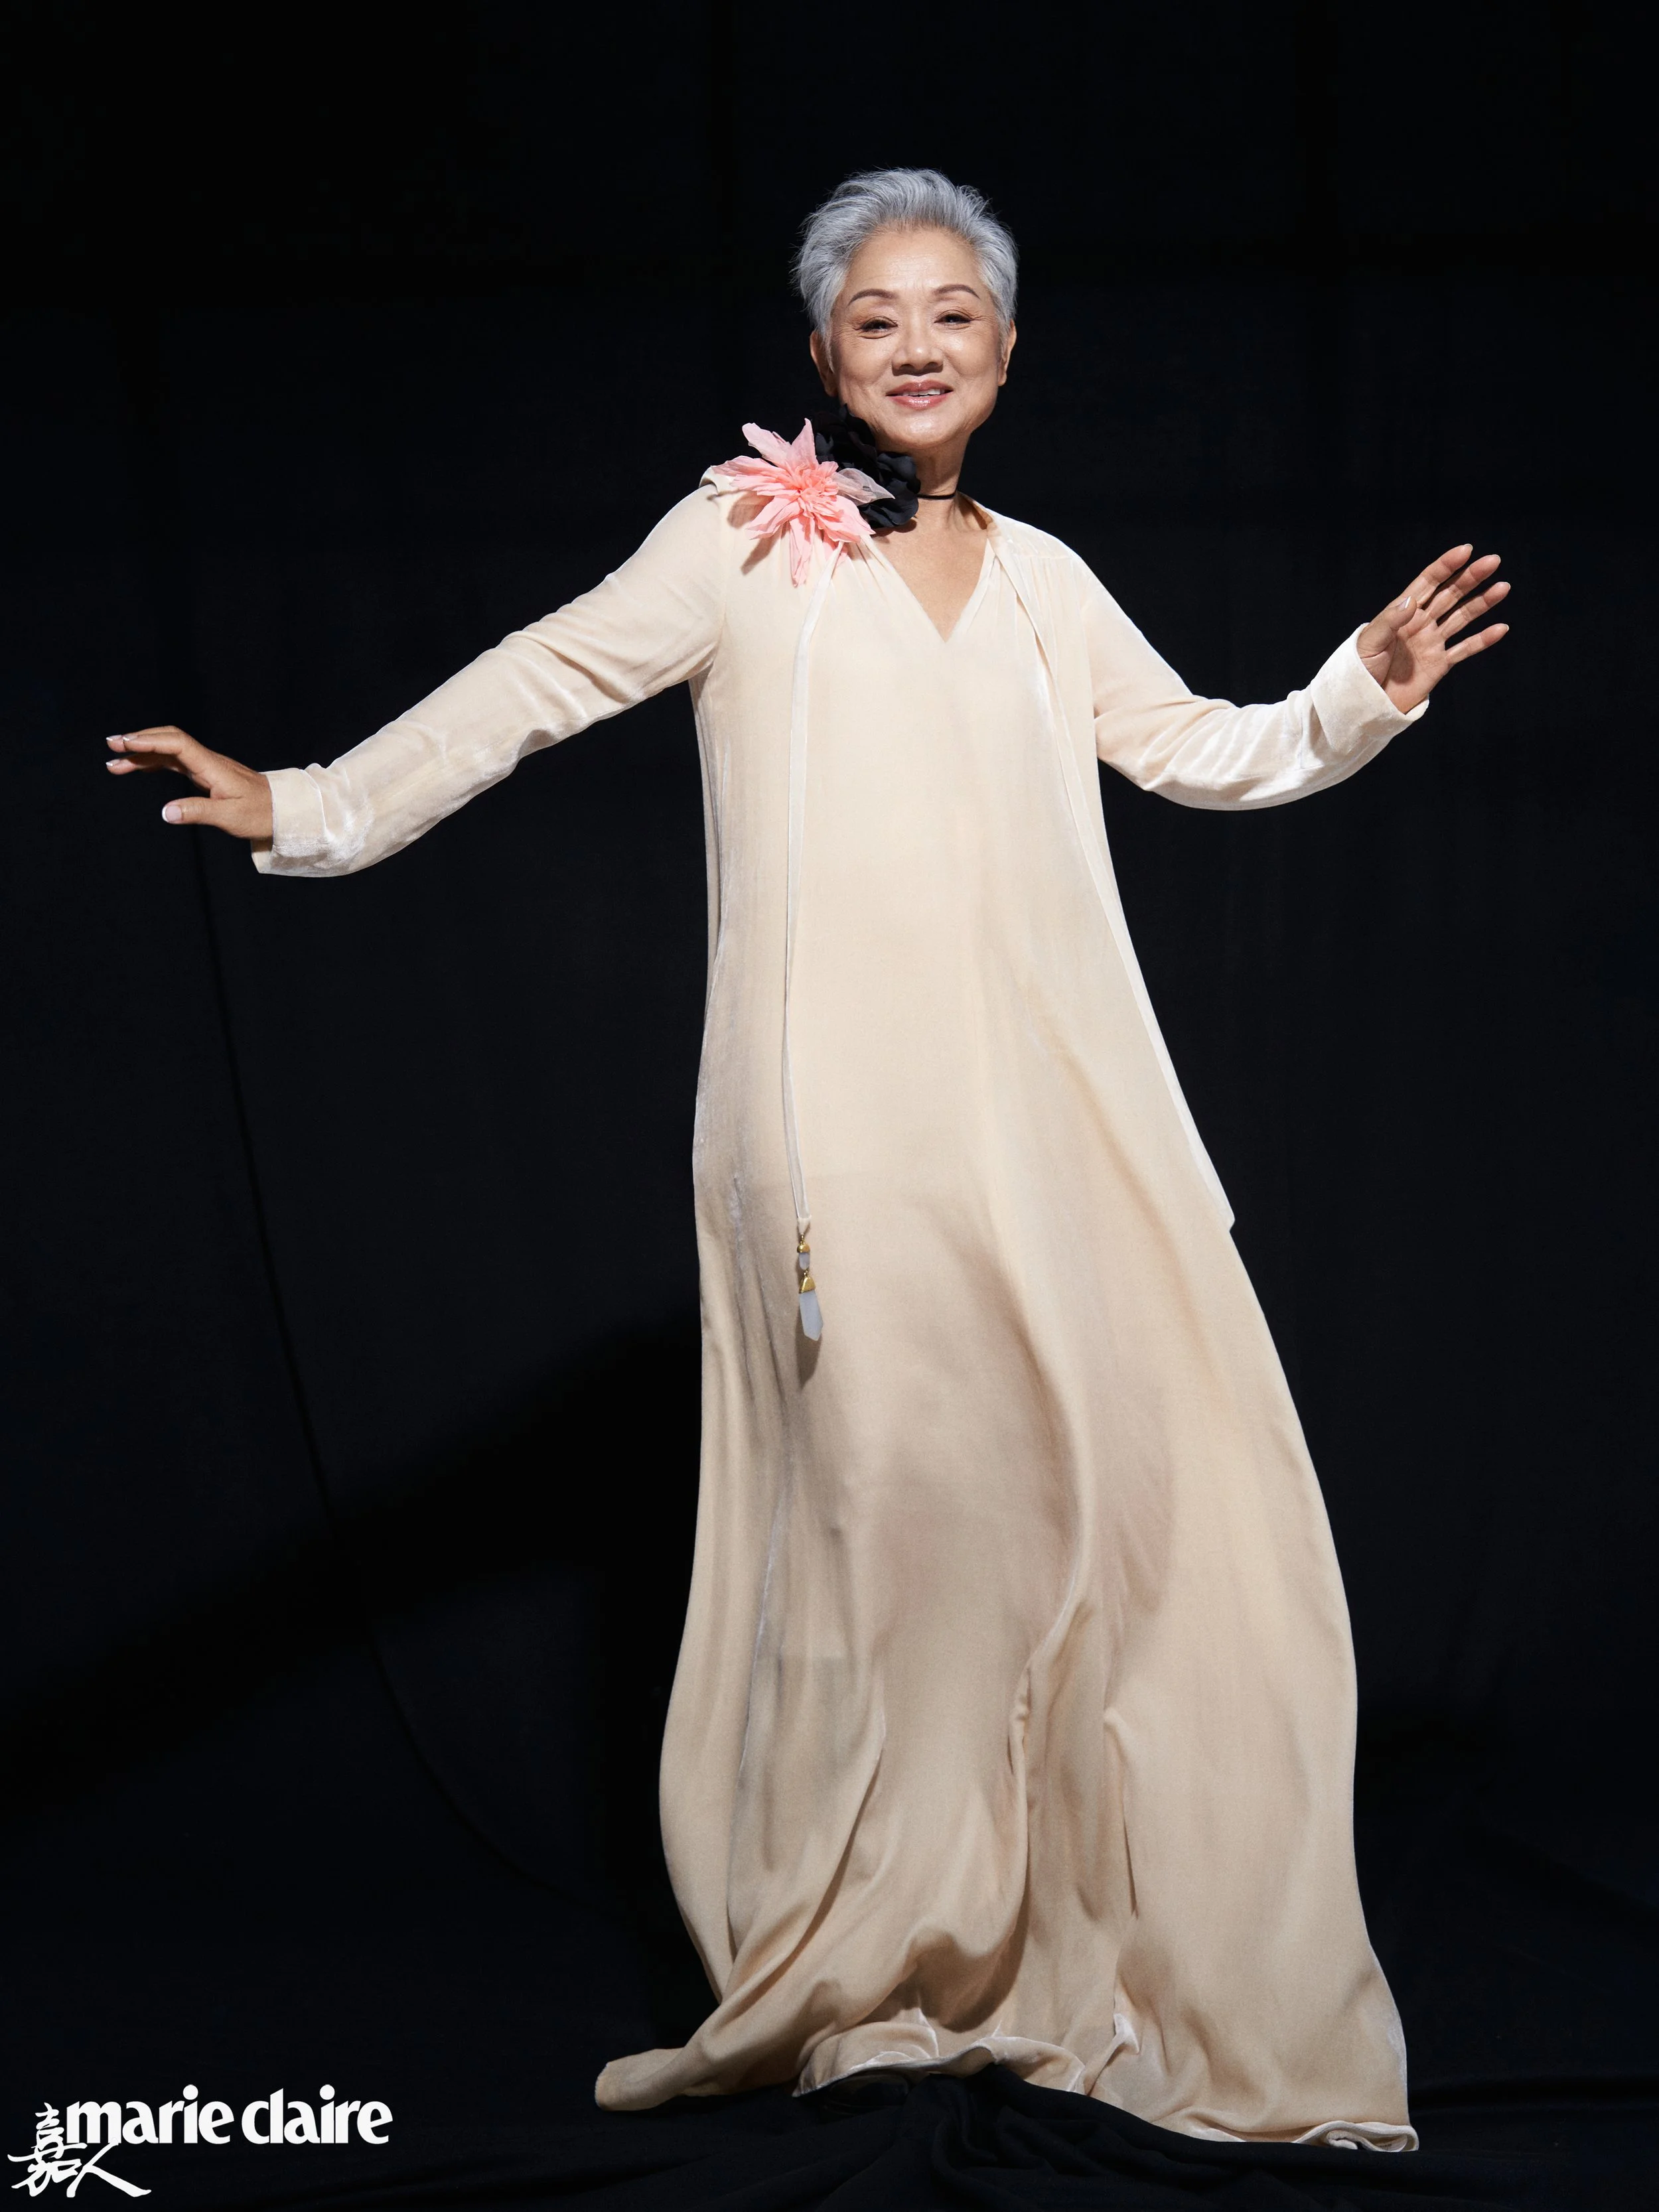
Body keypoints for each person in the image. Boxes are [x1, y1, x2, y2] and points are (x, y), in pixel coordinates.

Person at [105, 169, 1509, 2146]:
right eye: (876, 317)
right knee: (898, 1527)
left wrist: (1358, 691)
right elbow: (539, 678)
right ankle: (887, 1961)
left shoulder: (1044, 580)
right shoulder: (742, 538)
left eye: (954, 314)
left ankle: (1073, 1952)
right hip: (838, 1130)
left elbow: (1208, 748)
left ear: (1005, 352)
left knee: (1114, 1522)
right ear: (827, 358)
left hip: (1059, 1121)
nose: (918, 345)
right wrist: (308, 804)